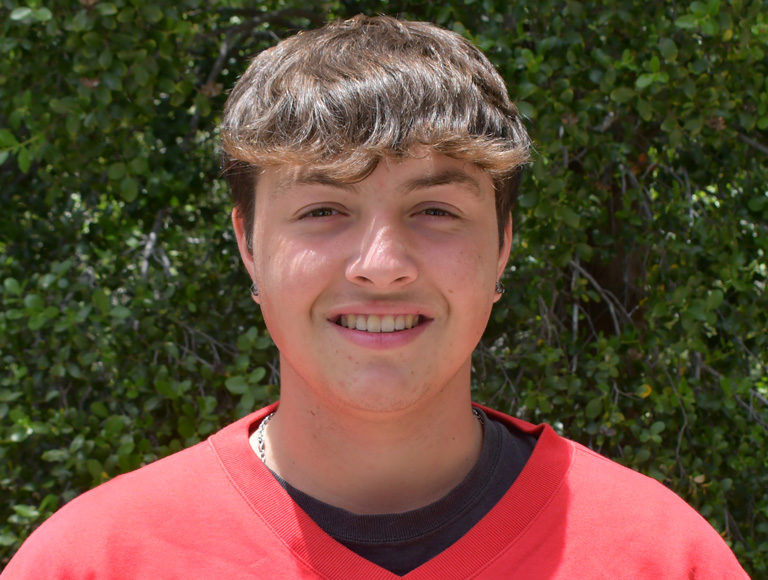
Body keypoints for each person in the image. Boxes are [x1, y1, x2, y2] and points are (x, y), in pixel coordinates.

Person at [2, 15, 748, 579]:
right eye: (324, 209)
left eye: (436, 210)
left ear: (502, 246)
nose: (382, 266)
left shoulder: (663, 557)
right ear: (249, 246)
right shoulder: (93, 562)